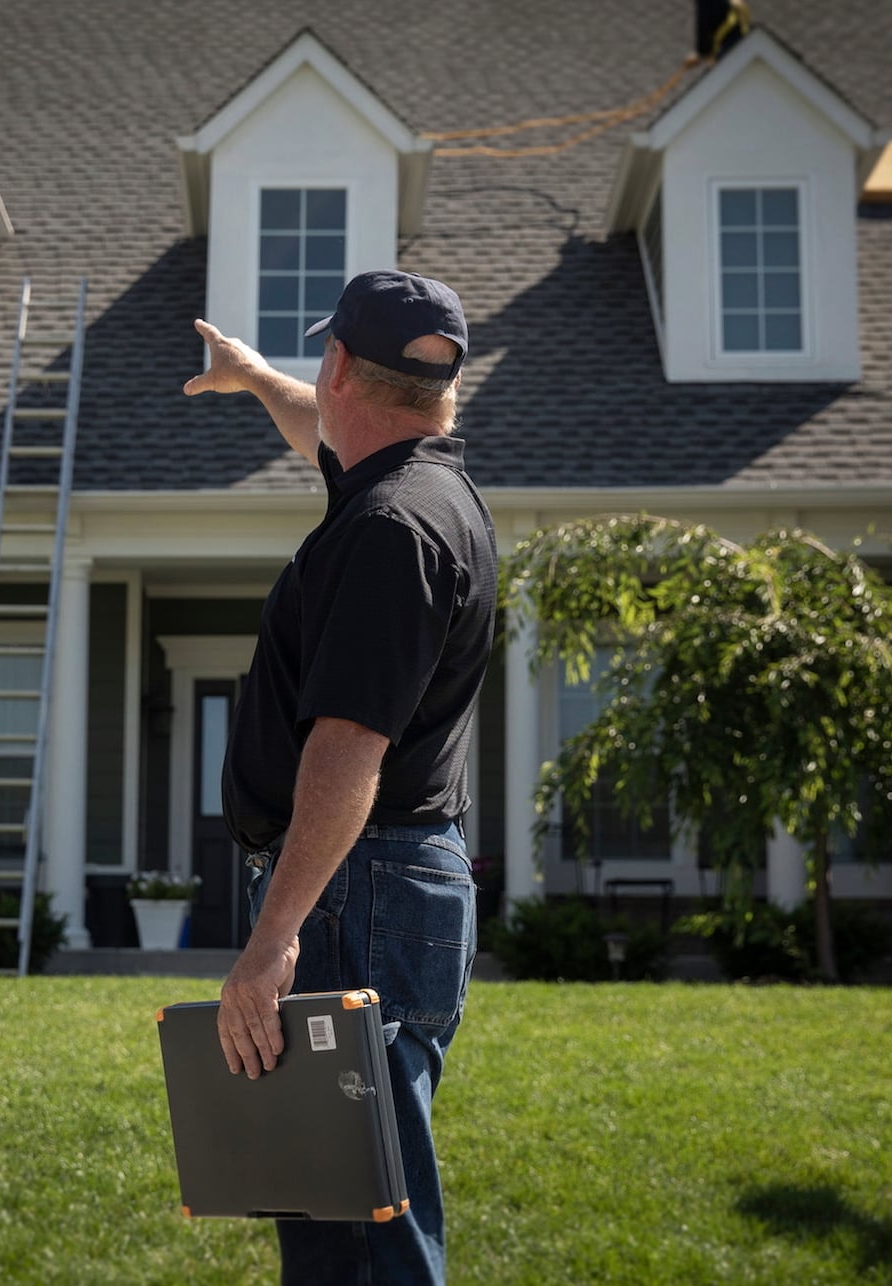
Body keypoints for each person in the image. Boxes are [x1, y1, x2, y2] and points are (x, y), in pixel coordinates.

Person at [183, 269, 496, 1285]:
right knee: (338, 1200)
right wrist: (252, 377)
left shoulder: (386, 531)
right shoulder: (420, 488)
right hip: (390, 884)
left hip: (355, 888)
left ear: (344, 365)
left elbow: (346, 751)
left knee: (357, 1226)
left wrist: (271, 941)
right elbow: (324, 423)